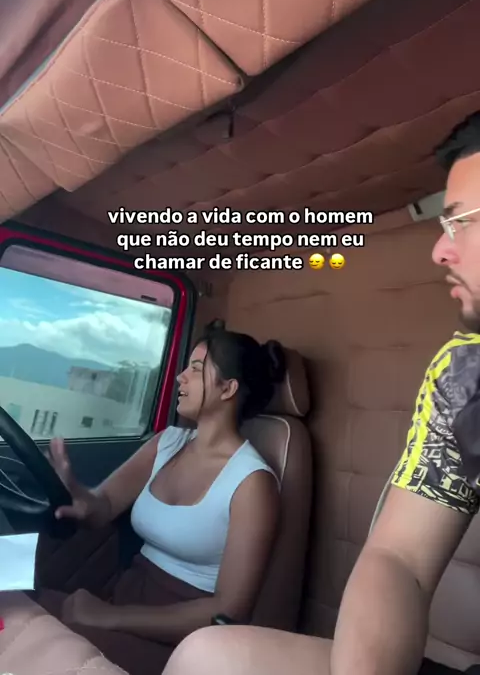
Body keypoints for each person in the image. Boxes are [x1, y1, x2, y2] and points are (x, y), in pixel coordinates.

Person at [160, 111, 480, 675]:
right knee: (206, 657)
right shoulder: (464, 374)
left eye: (462, 222)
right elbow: (399, 558)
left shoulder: (254, 476)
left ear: (229, 388)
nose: (439, 250)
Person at [35, 326, 286, 675]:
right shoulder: (167, 442)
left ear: (228, 388)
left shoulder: (252, 482)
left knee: (42, 642)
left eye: (196, 369)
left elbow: (228, 611)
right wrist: (77, 494)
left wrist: (110, 617)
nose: (181, 377)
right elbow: (104, 504)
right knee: (19, 608)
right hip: (125, 598)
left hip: (182, 640)